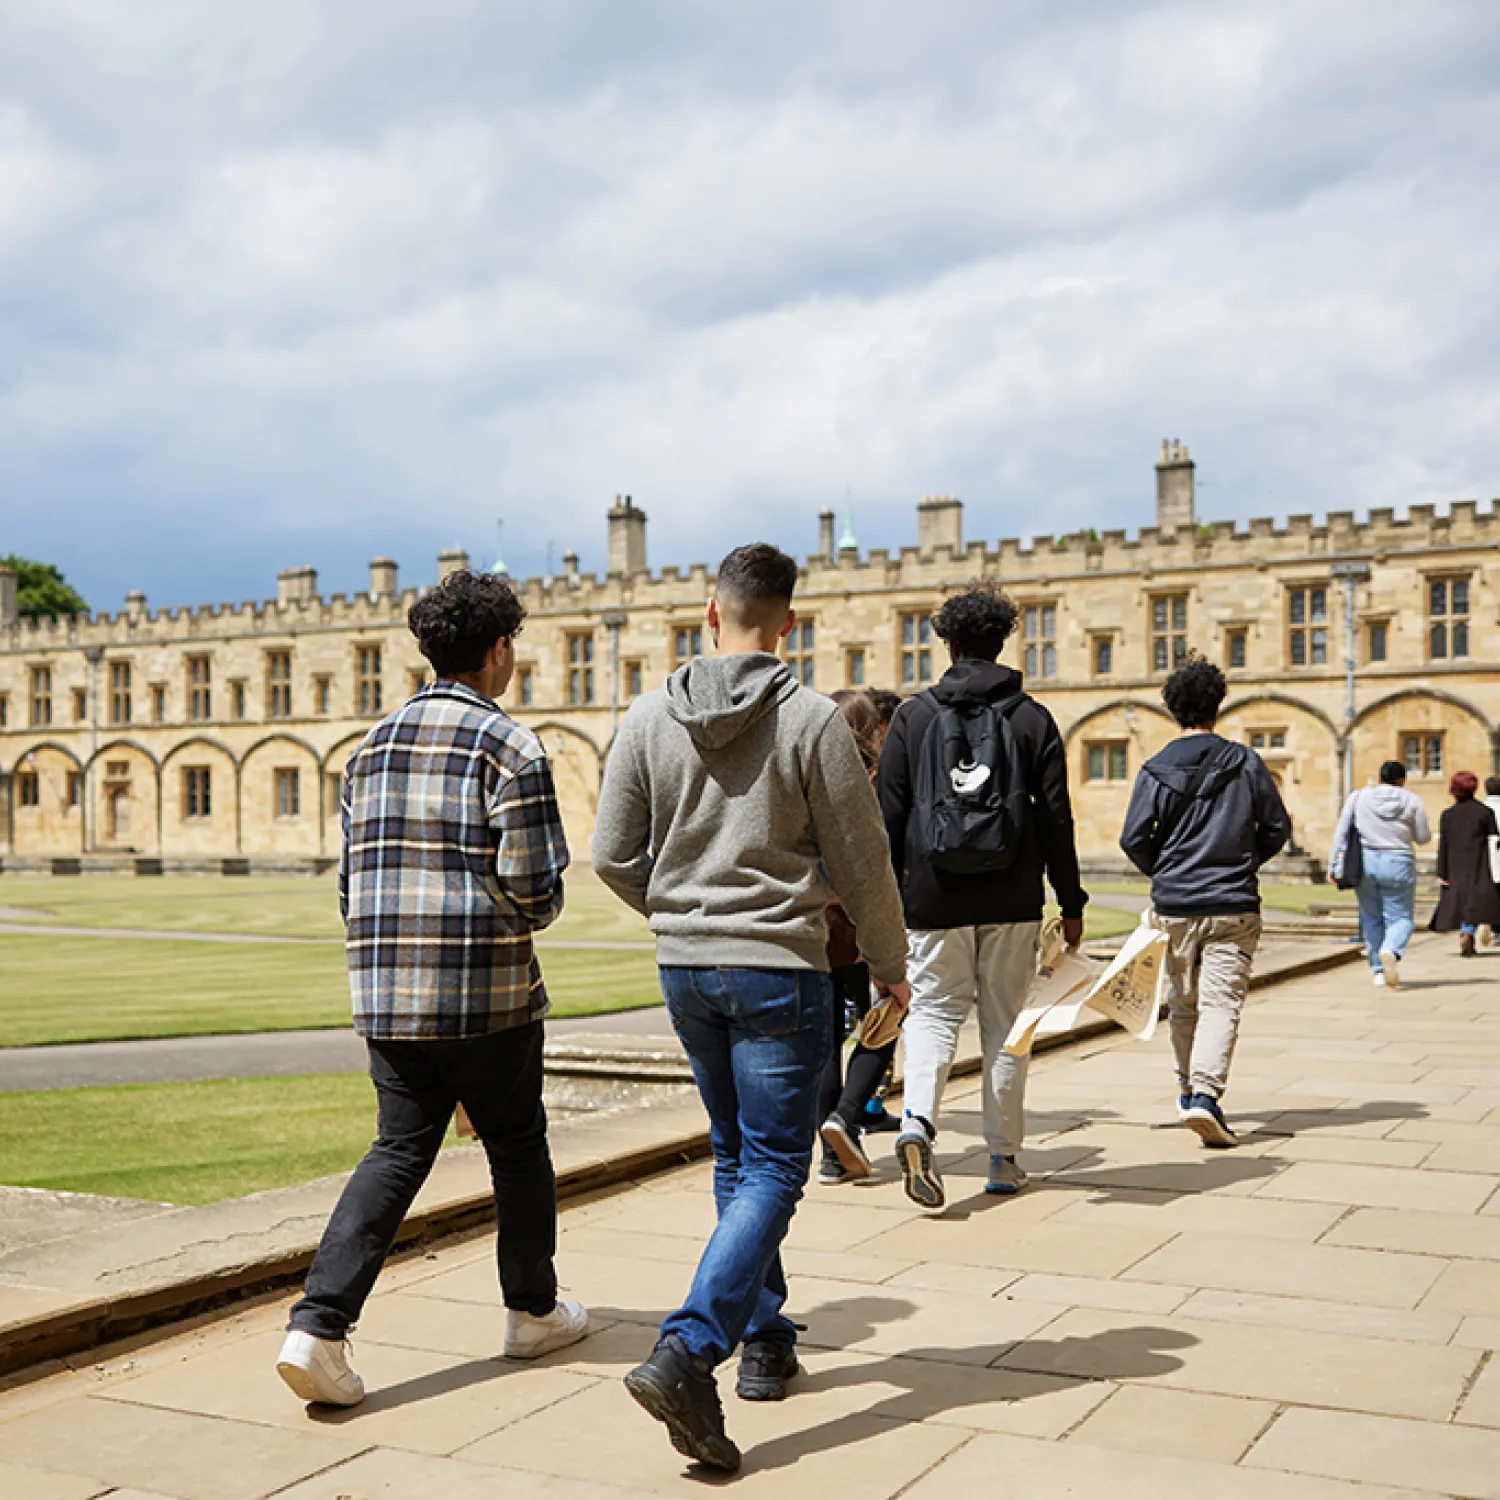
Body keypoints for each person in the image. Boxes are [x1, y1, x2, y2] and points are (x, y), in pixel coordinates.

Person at [592, 543, 909, 1473]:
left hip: (686, 972)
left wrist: (683, 914)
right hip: (780, 969)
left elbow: (613, 855)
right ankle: (690, 1349)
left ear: (707, 614)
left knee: (738, 1161)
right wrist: (891, 968)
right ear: (790, 625)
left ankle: (765, 1344)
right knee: (776, 1169)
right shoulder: (811, 720)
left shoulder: (648, 716)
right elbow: (863, 863)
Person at [276, 571, 588, 1408]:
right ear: (497, 651)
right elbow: (535, 891)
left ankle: (317, 1327)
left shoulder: (367, 748)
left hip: (384, 992)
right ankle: (532, 1312)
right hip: (487, 995)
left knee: (398, 1149)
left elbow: (350, 886)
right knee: (517, 1146)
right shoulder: (511, 747)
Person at [877, 581, 1087, 1210]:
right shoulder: (1030, 717)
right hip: (1012, 896)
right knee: (1005, 1028)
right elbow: (1056, 818)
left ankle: (917, 1122)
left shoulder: (913, 717)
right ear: (1002, 642)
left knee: (936, 1015)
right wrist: (1070, 901)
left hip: (931, 897)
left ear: (950, 642)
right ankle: (1003, 1159)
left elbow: (885, 816)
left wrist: (887, 905)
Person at [1120, 655, 1290, 1148]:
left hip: (1175, 905)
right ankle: (1204, 1096)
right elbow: (1277, 827)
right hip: (1232, 902)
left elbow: (1134, 838)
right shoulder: (1245, 761)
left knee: (1184, 1004)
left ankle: (1188, 1089)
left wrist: (1167, 873)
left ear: (1172, 709)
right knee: (1221, 1004)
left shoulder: (1154, 768)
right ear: (1217, 705)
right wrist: (1243, 863)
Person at [817, 690, 902, 1183]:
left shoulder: (810, 773)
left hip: (814, 922)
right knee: (888, 1018)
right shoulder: (877, 780)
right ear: (871, 731)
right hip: (863, 920)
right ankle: (846, 1116)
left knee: (825, 1041)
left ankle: (832, 1157)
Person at [1329, 761, 1432, 988]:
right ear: (1403, 779)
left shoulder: (1358, 797)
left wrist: (1333, 865)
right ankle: (1391, 950)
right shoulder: (1412, 800)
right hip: (1398, 861)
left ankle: (1377, 970)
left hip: (1366, 861)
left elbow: (1342, 831)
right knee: (1401, 917)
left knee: (1371, 917)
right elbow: (1423, 837)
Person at [1432, 771, 1500, 956]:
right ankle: (1468, 932)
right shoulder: (1485, 812)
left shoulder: (1448, 815)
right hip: (1478, 862)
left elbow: (1443, 845)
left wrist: (1442, 871)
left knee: (1461, 901)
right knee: (1476, 901)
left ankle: (1467, 932)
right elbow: (1494, 839)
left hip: (1455, 863)